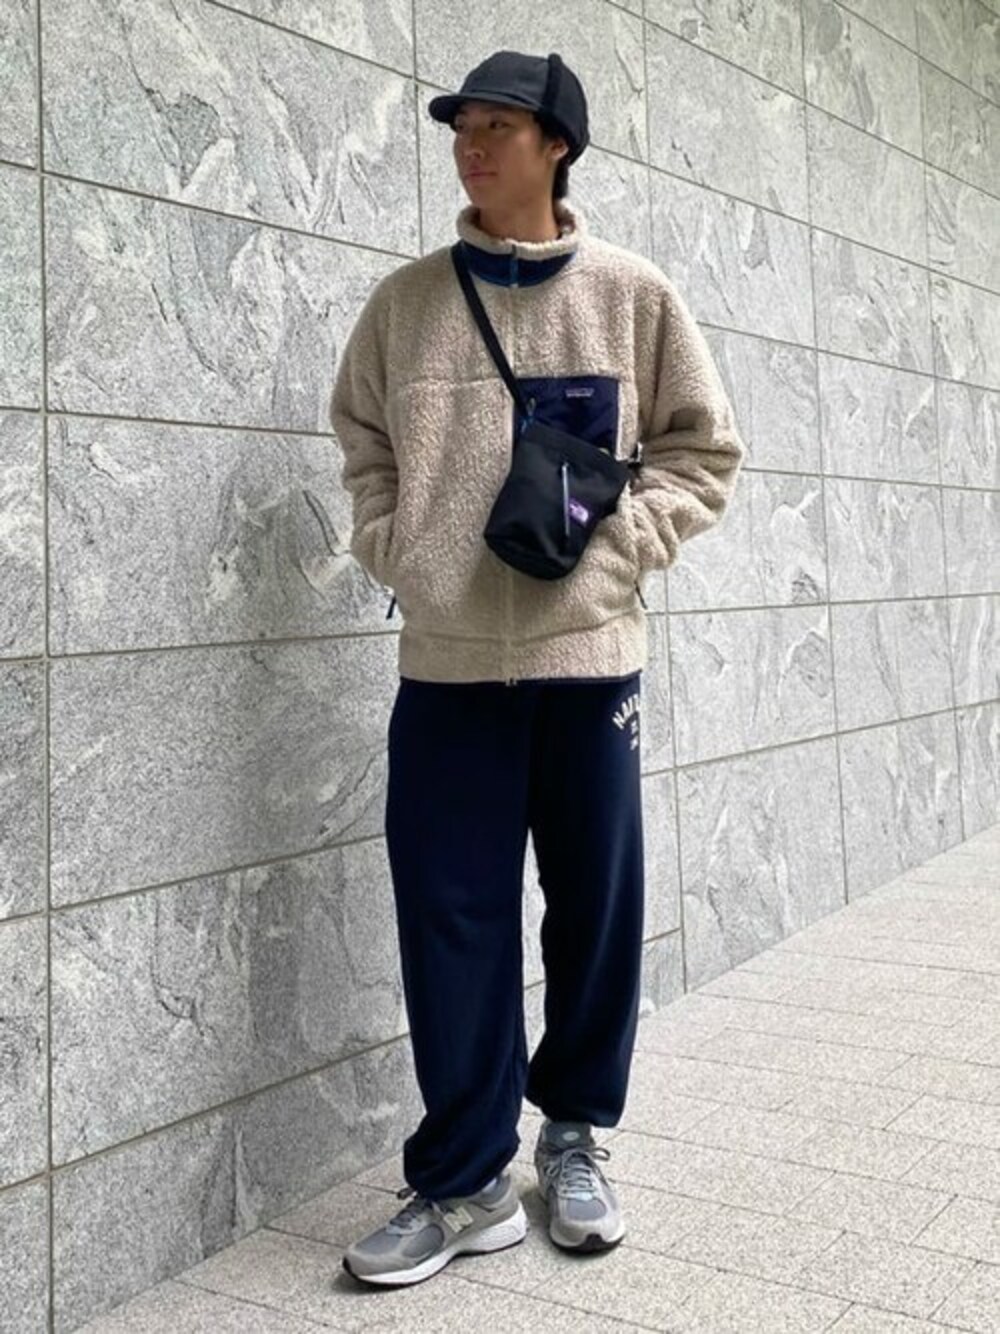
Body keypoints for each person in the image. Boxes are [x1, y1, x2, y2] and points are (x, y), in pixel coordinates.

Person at [329, 50, 745, 1288]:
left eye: (498, 127)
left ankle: (573, 1136)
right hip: (447, 670)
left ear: (556, 144)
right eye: (462, 126)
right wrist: (397, 546)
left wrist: (619, 553)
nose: (471, 146)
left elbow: (702, 451)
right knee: (448, 917)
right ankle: (463, 1179)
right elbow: (362, 442)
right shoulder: (405, 303)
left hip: (588, 664)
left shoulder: (631, 295)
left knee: (594, 909)